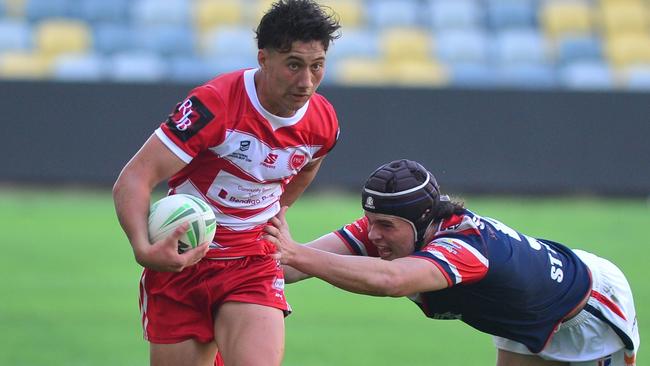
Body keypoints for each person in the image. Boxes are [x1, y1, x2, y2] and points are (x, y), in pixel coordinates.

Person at [112, 1, 341, 365]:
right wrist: (143, 248)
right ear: (263, 59)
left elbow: (309, 166)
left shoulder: (323, 121)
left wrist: (278, 210)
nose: (306, 81)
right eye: (294, 65)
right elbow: (135, 178)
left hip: (254, 262)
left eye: (317, 66)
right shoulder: (216, 104)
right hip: (184, 261)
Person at [264, 159, 640, 366]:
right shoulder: (394, 227)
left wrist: (294, 250)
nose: (374, 235)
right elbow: (291, 266)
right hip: (519, 315)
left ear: (423, 219)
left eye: (385, 226)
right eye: (371, 222)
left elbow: (393, 281)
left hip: (587, 311)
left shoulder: (465, 246)